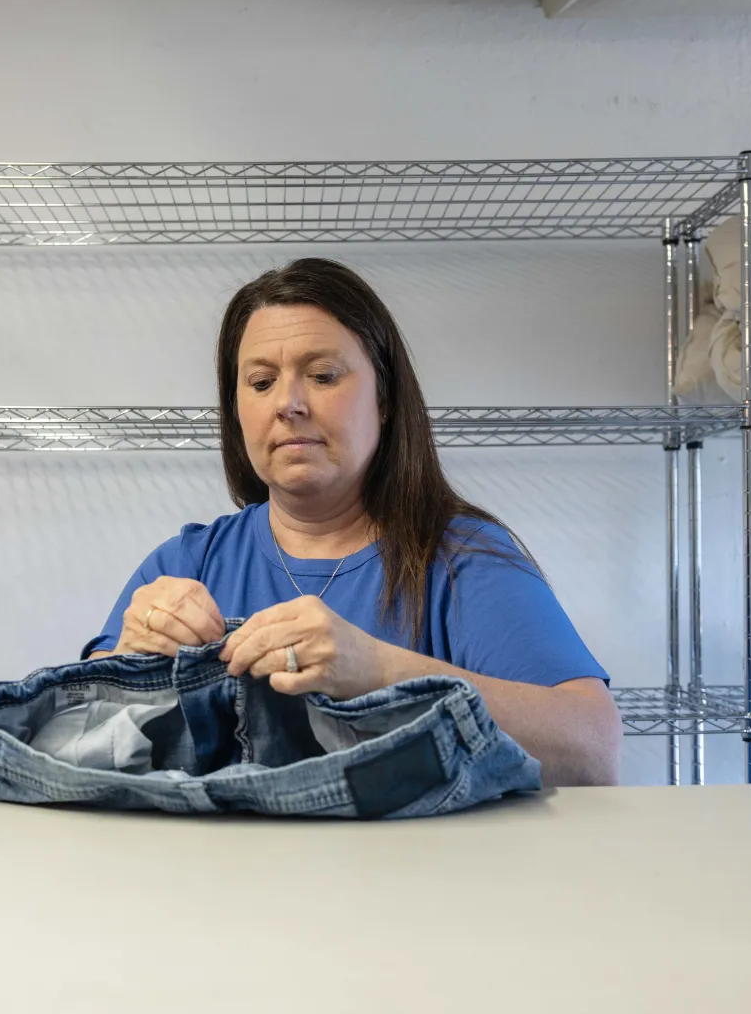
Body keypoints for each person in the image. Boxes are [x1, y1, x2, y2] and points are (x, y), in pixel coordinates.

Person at [83, 258, 621, 786]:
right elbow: (75, 749)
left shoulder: (462, 560)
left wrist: (382, 671)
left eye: (322, 375)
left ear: (384, 399)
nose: (288, 404)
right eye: (261, 381)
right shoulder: (186, 562)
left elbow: (592, 752)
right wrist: (127, 663)